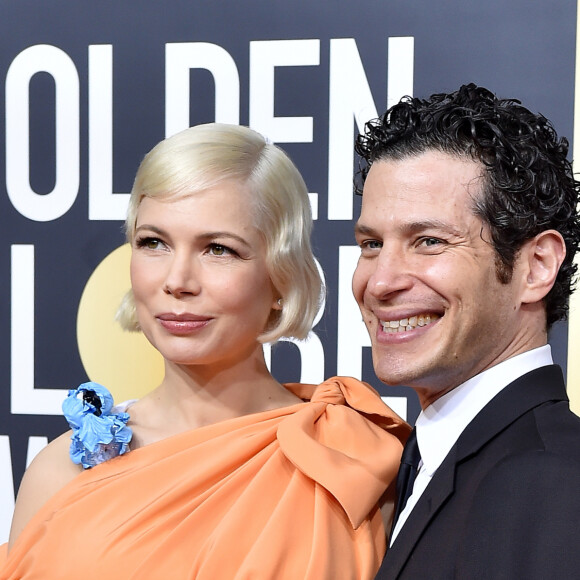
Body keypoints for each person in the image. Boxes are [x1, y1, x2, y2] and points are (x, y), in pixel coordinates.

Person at [0, 123, 409, 579]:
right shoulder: (60, 471)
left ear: (282, 277)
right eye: (153, 243)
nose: (177, 280)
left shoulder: (353, 459)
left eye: (218, 249)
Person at [352, 83, 580, 579]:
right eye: (371, 244)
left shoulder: (558, 484)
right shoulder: (411, 462)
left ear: (536, 267)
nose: (381, 281)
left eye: (429, 241)